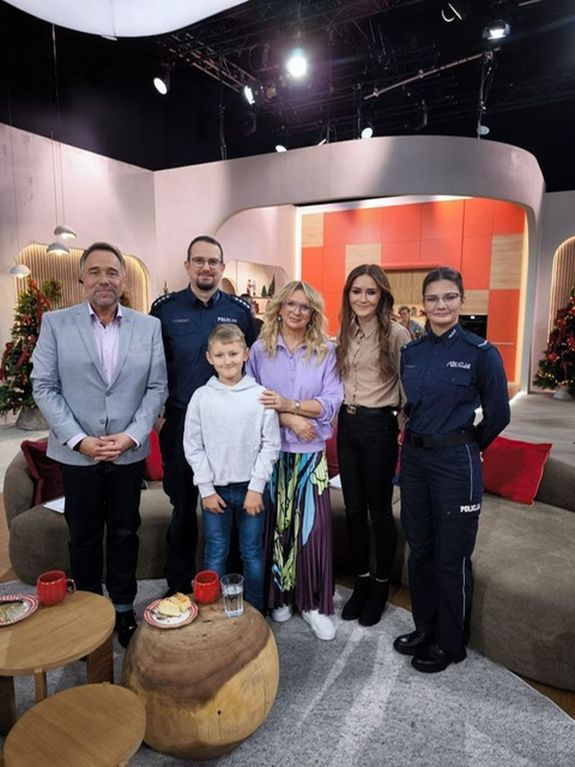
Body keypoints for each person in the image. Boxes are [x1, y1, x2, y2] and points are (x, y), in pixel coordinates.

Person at [31, 242, 167, 647]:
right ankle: (89, 612)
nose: (104, 279)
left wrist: (131, 436)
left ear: (123, 279)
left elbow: (157, 387)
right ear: (82, 278)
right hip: (77, 455)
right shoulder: (56, 323)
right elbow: (44, 386)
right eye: (95, 271)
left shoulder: (148, 327)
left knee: (125, 532)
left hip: (129, 452)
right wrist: (80, 440)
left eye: (112, 272)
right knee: (83, 536)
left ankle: (124, 609)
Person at [394, 266, 510, 672]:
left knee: (451, 557)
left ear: (462, 300)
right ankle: (425, 628)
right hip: (415, 460)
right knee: (420, 551)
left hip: (455, 463)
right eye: (432, 298)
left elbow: (499, 414)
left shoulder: (481, 353)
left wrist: (466, 445)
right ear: (423, 304)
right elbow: (411, 406)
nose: (440, 305)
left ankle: (450, 642)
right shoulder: (411, 352)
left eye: (449, 297)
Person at [150, 235, 257, 596]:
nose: (206, 267)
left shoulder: (240, 311)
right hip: (181, 421)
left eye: (213, 261)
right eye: (199, 260)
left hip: (231, 424)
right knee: (183, 508)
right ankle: (179, 587)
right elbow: (153, 365)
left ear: (222, 267)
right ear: (187, 266)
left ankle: (233, 585)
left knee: (231, 506)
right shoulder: (164, 310)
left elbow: (252, 364)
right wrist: (159, 416)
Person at [247, 281, 343, 641]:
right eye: (291, 304)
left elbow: (332, 400)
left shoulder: (326, 351)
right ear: (279, 308)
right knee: (278, 527)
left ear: (313, 313)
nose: (297, 311)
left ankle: (314, 604)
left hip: (310, 454)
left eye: (305, 306)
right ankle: (281, 597)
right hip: (271, 452)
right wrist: (289, 418)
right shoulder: (260, 350)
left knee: (313, 530)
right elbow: (251, 397)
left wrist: (291, 405)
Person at [183, 324, 280, 610]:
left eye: (234, 354)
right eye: (220, 355)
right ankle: (211, 610)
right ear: (209, 357)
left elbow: (270, 445)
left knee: (252, 551)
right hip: (215, 491)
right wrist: (206, 489)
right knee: (216, 551)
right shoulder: (201, 397)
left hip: (252, 491)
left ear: (246, 354)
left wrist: (256, 488)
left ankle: (255, 611)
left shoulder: (261, 395)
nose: (228, 361)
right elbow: (193, 446)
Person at [336, 265, 411, 626]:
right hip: (347, 425)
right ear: (348, 295)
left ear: (382, 296)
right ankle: (362, 581)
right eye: (356, 291)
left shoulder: (397, 334)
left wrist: (403, 421)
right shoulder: (344, 331)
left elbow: (410, 385)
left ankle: (381, 585)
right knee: (353, 510)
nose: (362, 298)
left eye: (371, 292)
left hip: (379, 426)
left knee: (378, 512)